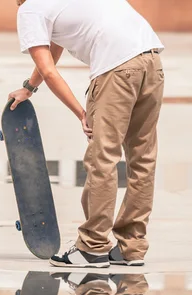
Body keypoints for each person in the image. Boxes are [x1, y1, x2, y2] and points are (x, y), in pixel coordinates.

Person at [9, 0, 165, 268]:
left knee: (102, 159)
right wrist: (29, 87)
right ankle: (132, 247)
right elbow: (52, 49)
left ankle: (92, 246)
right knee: (143, 158)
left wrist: (80, 112)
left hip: (117, 70)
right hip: (152, 61)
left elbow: (48, 69)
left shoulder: (29, 9)